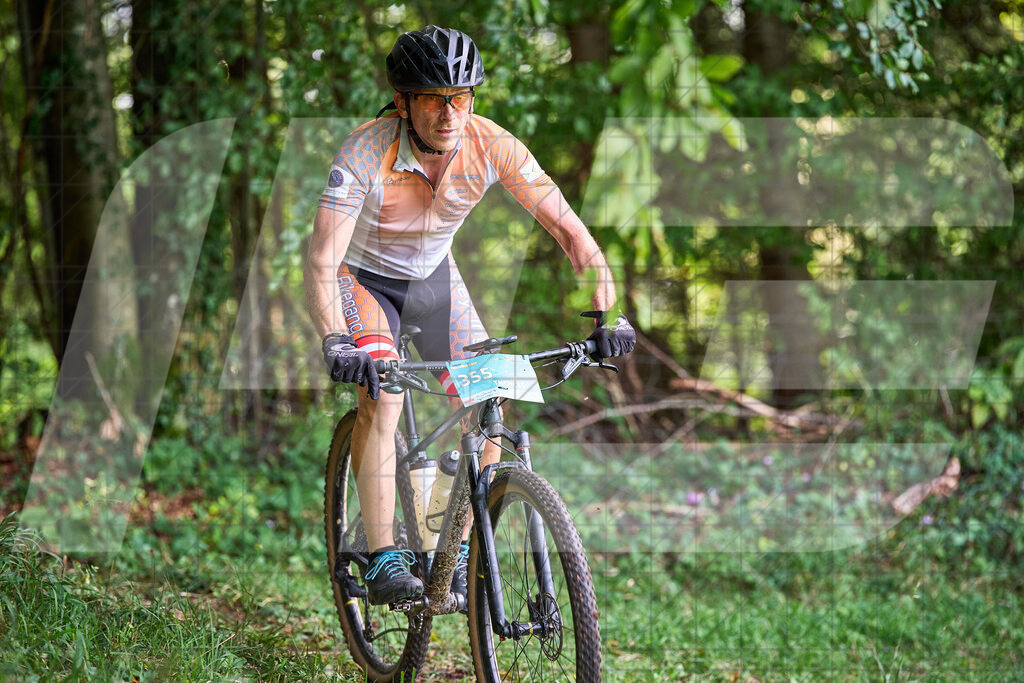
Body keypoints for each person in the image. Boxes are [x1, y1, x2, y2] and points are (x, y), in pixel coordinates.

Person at [304, 26, 635, 606]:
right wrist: (336, 339)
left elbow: (572, 234)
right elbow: (321, 259)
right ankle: (385, 556)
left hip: (437, 281)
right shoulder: (364, 149)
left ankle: (450, 549)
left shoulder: (492, 144)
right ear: (404, 103)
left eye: (462, 97)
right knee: (381, 393)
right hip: (365, 282)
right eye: (434, 98)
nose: (450, 111)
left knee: (490, 400)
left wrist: (609, 316)